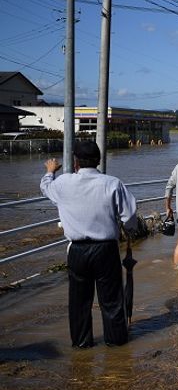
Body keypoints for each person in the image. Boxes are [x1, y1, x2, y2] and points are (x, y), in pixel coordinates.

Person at [40, 141, 136, 348]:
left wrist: (50, 171)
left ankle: (82, 345)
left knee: (79, 302)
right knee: (111, 300)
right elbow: (129, 216)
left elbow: (45, 188)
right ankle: (116, 343)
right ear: (99, 160)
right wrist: (127, 230)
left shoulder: (63, 182)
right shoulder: (112, 183)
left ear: (76, 162)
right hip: (106, 249)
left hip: (77, 250)